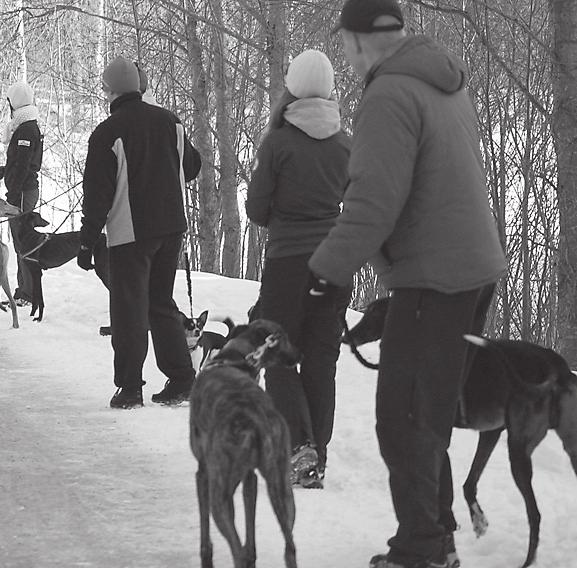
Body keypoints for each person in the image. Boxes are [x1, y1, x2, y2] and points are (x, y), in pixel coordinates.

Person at [308, 0, 507, 566]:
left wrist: (326, 270)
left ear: (358, 39)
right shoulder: (440, 79)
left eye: (344, 41)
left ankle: (423, 549)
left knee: (404, 419)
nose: (344, 52)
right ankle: (435, 535)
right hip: (470, 269)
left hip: (433, 278)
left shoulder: (389, 93)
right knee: (430, 412)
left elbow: (374, 203)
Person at [246, 49, 352, 489]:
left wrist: (283, 217)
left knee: (279, 354)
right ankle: (317, 455)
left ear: (290, 85)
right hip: (335, 260)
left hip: (288, 261)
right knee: (321, 359)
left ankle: (297, 448)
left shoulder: (278, 141)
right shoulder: (347, 143)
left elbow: (255, 208)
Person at [77, 56, 201, 409]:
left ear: (113, 90)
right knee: (160, 302)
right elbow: (192, 166)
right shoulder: (170, 122)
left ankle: (130, 388)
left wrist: (87, 242)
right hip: (172, 227)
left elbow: (97, 195)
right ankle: (181, 379)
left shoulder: (107, 132)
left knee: (129, 308)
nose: (103, 93)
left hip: (131, 232)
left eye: (104, 87)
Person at [0, 81, 44, 306]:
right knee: (19, 244)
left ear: (15, 102)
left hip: (24, 192)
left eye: (9, 101)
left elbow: (24, 165)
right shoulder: (24, 126)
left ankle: (28, 293)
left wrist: (13, 194)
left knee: (24, 243)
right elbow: (16, 163)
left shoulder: (26, 129)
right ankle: (23, 291)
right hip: (21, 189)